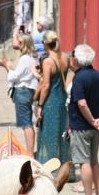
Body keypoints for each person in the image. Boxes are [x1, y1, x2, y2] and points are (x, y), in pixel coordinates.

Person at [65, 44, 99, 195]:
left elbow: (82, 103)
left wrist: (92, 120)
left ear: (76, 59)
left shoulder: (79, 78)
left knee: (84, 161)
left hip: (81, 125)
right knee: (94, 161)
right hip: (95, 127)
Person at [0, 34, 40, 156]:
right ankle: (30, 151)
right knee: (27, 122)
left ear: (24, 44)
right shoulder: (32, 58)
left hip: (22, 90)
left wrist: (7, 66)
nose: (17, 45)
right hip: (29, 90)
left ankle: (30, 153)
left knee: (26, 124)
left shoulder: (25, 59)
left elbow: (14, 77)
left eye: (19, 42)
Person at [34, 31, 71, 168]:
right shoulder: (66, 58)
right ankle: (64, 166)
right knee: (62, 133)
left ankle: (51, 167)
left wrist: (40, 105)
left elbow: (46, 85)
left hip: (51, 101)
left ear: (45, 44)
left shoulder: (48, 61)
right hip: (62, 99)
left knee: (49, 134)